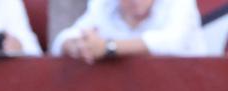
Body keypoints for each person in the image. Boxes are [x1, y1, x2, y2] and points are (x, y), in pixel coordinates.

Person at [51, 0, 206, 60]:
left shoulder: (179, 4)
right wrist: (79, 46)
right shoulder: (104, 5)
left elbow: (172, 42)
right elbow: (63, 39)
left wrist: (107, 47)